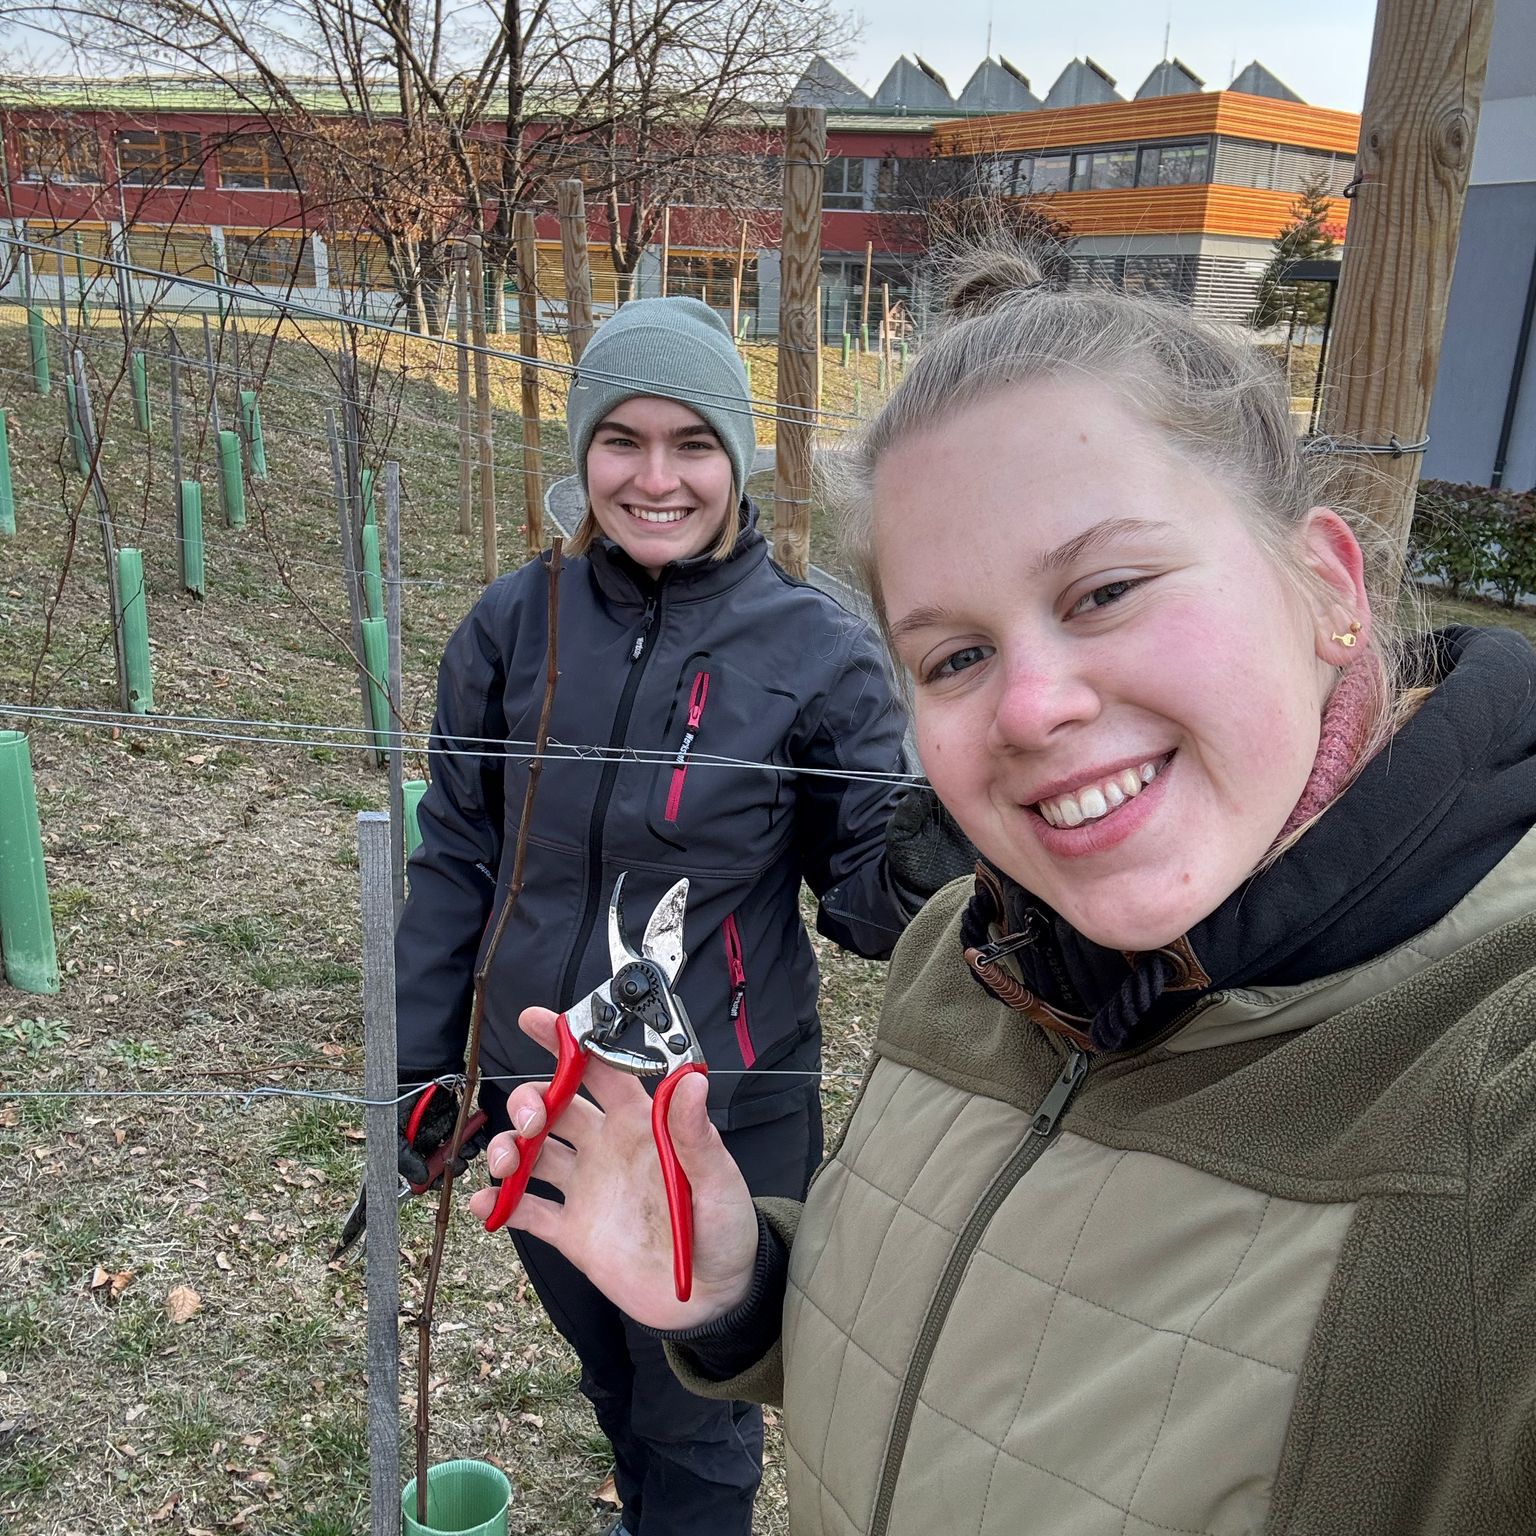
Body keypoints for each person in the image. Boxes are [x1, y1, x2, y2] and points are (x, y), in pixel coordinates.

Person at [467, 248, 1536, 1535]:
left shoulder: (1496, 1084)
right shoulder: (964, 963)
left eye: (1106, 591)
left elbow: (853, 879)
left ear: (1327, 585)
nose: (1030, 707)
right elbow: (972, 1361)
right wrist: (744, 1292)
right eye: (957, 656)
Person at [394, 296, 964, 1536]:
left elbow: (868, 902)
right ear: (584, 450)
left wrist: (937, 850)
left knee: (698, 1417)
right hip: (542, 1098)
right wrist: (424, 1064)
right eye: (623, 440)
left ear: (737, 457)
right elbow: (457, 856)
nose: (656, 480)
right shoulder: (512, 627)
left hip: (723, 1112)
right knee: (609, 1368)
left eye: (692, 444)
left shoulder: (818, 653)